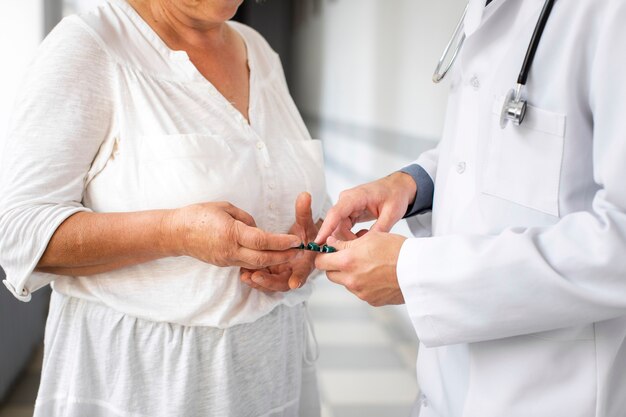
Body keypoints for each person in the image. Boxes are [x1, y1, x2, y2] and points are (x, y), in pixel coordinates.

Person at [0, 0, 330, 415]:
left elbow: (280, 188)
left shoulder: (257, 49)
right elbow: (19, 232)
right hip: (144, 385)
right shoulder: (89, 45)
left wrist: (304, 250)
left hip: (271, 375)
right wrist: (174, 233)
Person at [312, 0, 626, 416]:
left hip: (553, 393)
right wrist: (412, 184)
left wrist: (415, 273)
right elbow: (490, 149)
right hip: (446, 387)